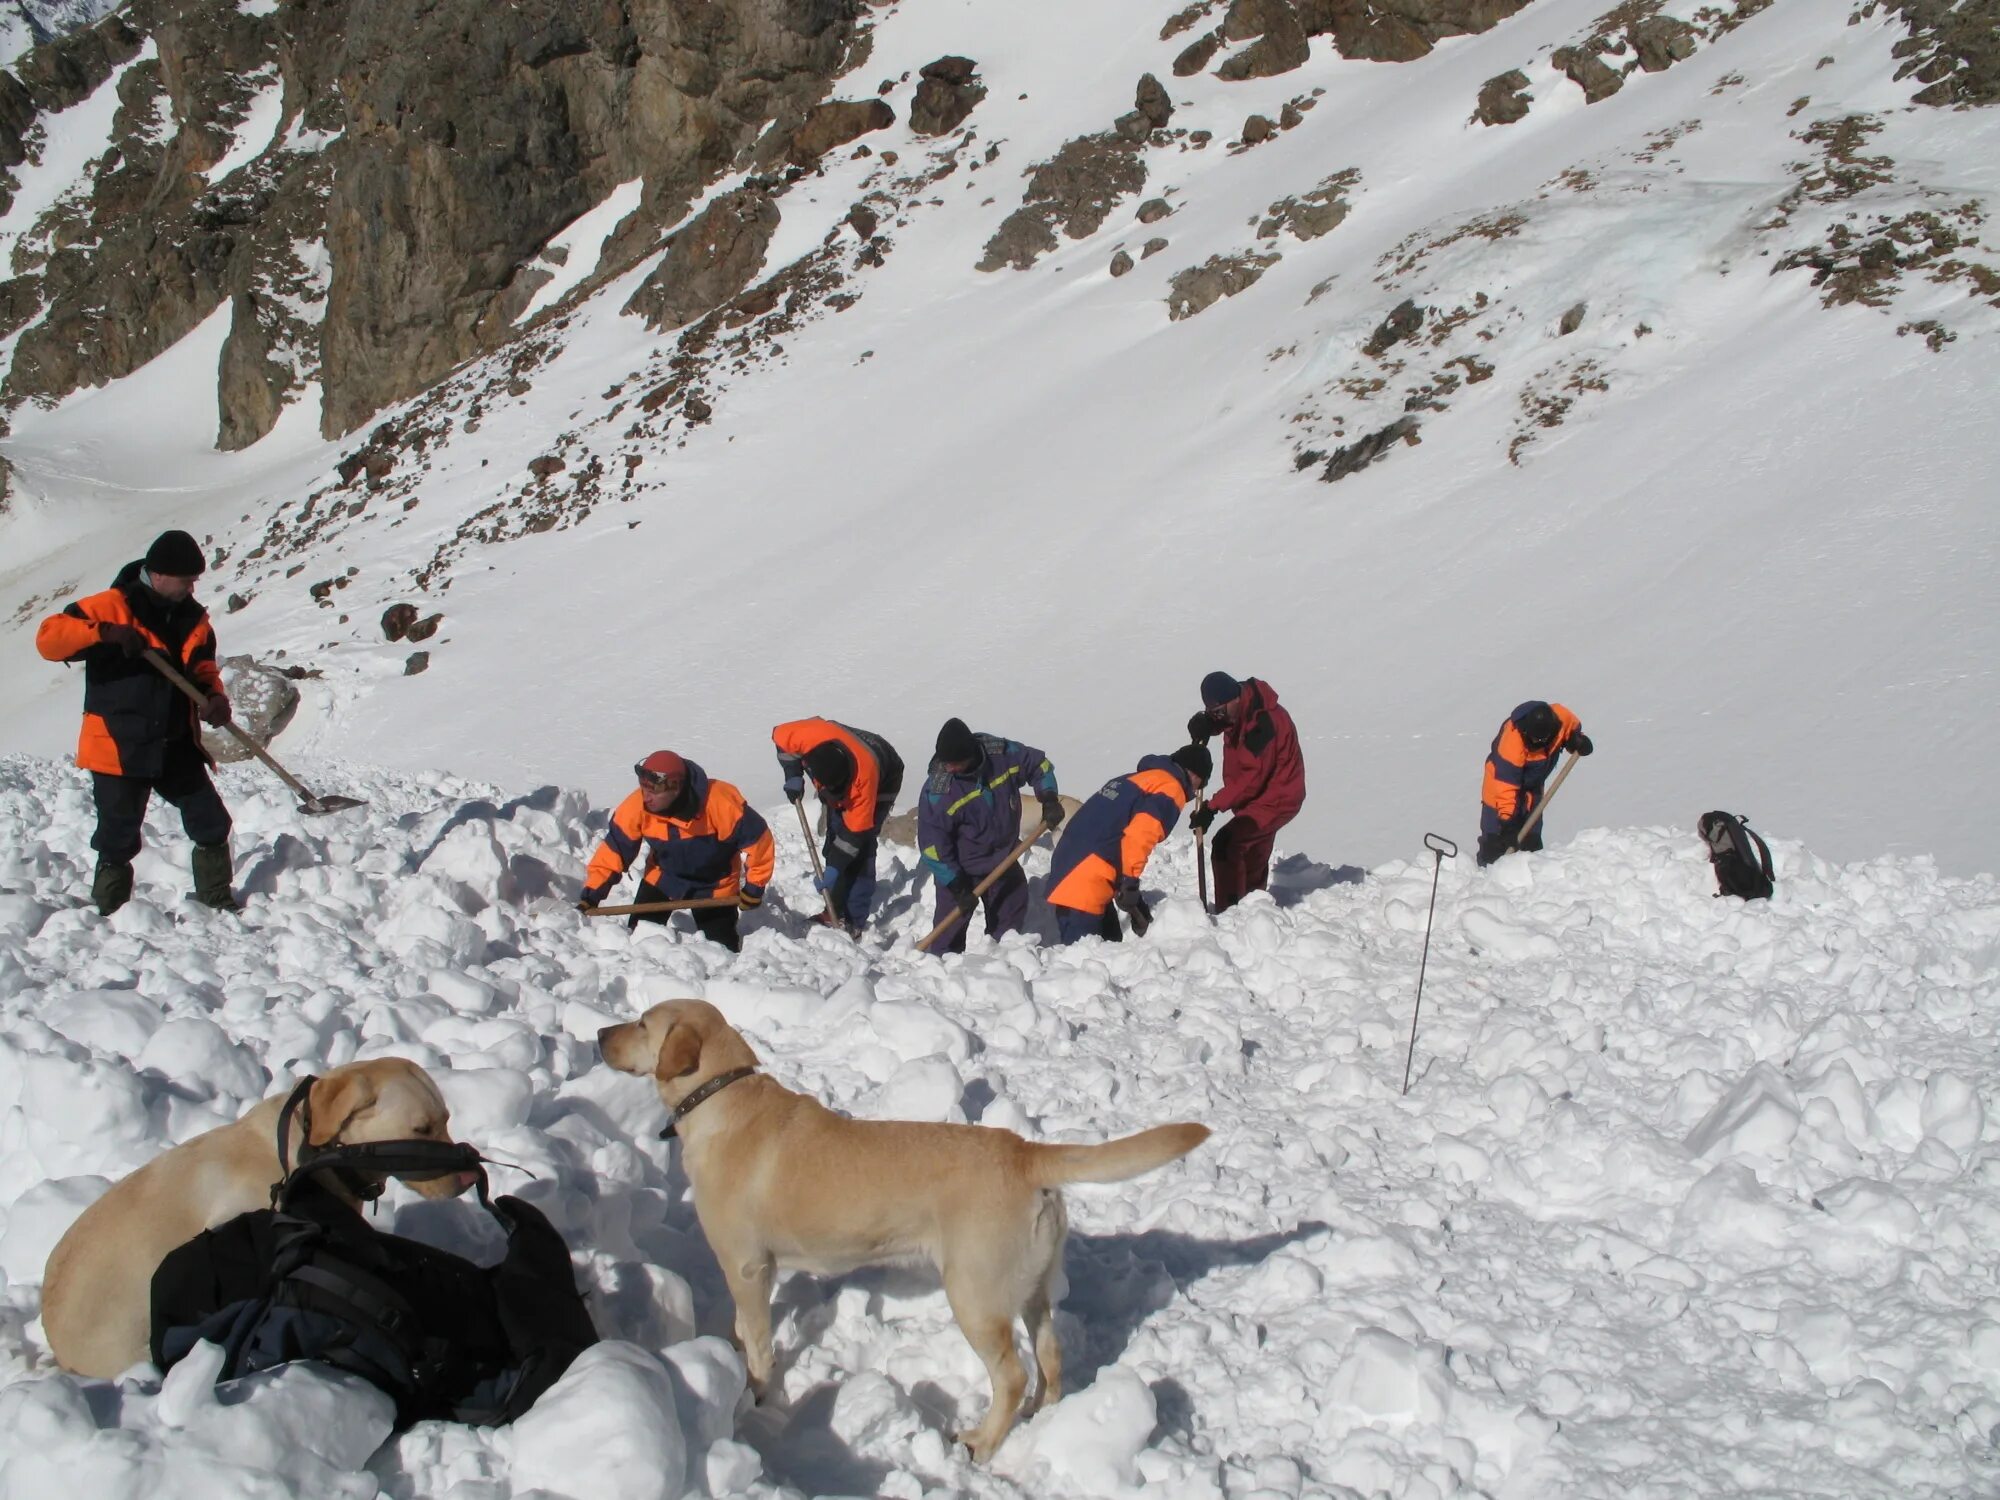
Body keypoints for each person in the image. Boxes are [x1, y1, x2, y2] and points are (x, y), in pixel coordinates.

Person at [35, 529, 237, 915]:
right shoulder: (109, 606)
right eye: (187, 579)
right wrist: (105, 634)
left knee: (210, 821)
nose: (192, 587)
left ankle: (217, 901)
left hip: (175, 743)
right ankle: (109, 911)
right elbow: (49, 639)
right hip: (119, 743)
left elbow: (204, 668)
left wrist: (214, 698)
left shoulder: (194, 620)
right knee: (117, 837)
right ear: (159, 574)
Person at [578, 751, 775, 952]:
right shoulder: (637, 806)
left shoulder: (720, 803)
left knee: (722, 952)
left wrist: (754, 887)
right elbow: (614, 851)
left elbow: (760, 841)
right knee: (638, 940)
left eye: (653, 790)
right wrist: (591, 894)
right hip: (663, 878)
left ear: (675, 787)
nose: (646, 796)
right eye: (643, 787)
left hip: (715, 885)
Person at [916, 717, 1065, 952]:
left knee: (1009, 928)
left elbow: (1039, 765)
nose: (949, 768)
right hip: (961, 871)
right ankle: (940, 972)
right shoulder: (938, 792)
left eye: (954, 763)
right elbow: (932, 849)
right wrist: (956, 885)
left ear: (970, 755)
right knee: (947, 935)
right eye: (946, 763)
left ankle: (998, 965)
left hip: (1004, 859)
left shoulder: (1002, 755)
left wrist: (1048, 797)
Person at [1046, 745, 1210, 944]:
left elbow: (1110, 832)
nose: (1196, 791)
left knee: (1111, 946)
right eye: (1201, 784)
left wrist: (1131, 894)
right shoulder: (1170, 787)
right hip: (1086, 878)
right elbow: (1140, 836)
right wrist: (1129, 883)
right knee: (1084, 964)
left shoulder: (1135, 779)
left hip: (1072, 865)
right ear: (1194, 774)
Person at [1184, 671, 1305, 911]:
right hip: (1260, 796)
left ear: (1234, 699)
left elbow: (1252, 779)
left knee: (1226, 846)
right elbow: (1230, 721)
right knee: (1252, 853)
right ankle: (1254, 909)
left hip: (1276, 799)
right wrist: (1207, 724)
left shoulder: (1263, 724)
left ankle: (1231, 913)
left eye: (1219, 712)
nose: (1218, 718)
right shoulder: (1244, 706)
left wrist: (1212, 807)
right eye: (1212, 713)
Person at [772, 717, 904, 935]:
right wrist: (793, 774)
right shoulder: (809, 735)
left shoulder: (863, 783)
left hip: (883, 778)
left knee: (860, 853)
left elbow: (855, 835)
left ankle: (852, 920)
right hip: (851, 764)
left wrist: (835, 865)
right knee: (836, 838)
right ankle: (833, 908)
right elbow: (781, 739)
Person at [1478, 700, 1593, 866]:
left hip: (1532, 793)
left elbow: (1571, 727)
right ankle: (1485, 881)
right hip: (1499, 795)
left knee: (1531, 847)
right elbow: (1506, 787)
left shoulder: (1560, 718)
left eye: (1543, 739)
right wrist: (1507, 823)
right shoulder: (1512, 742)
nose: (1539, 743)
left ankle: (1531, 887)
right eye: (1535, 739)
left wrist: (1575, 740)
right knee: (1495, 847)